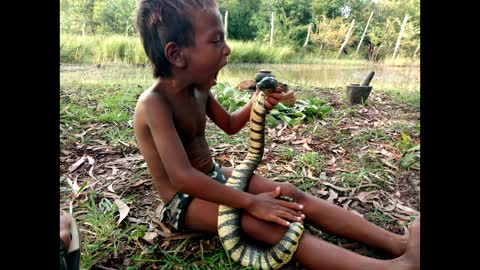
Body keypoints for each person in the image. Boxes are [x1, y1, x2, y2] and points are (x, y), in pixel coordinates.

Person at [133, 1, 420, 269]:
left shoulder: (199, 90)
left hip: (213, 176)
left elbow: (231, 125)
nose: (227, 49)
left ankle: (396, 243)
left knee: (289, 193)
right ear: (176, 54)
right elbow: (182, 177)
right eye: (216, 39)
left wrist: (257, 101)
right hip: (184, 202)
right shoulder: (154, 104)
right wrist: (249, 201)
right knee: (273, 227)